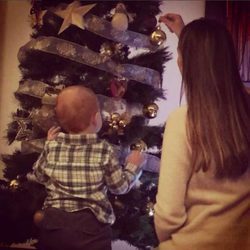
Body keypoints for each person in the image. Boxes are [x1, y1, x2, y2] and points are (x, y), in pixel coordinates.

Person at [154, 14, 250, 250]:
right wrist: (185, 36)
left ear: (183, 63)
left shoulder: (182, 121)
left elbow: (168, 215)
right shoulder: (245, 111)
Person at [29, 86, 145, 250]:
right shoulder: (104, 150)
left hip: (54, 225)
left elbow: (39, 176)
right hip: (91, 227)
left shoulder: (52, 146)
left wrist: (49, 144)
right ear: (96, 118)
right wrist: (133, 165)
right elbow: (119, 187)